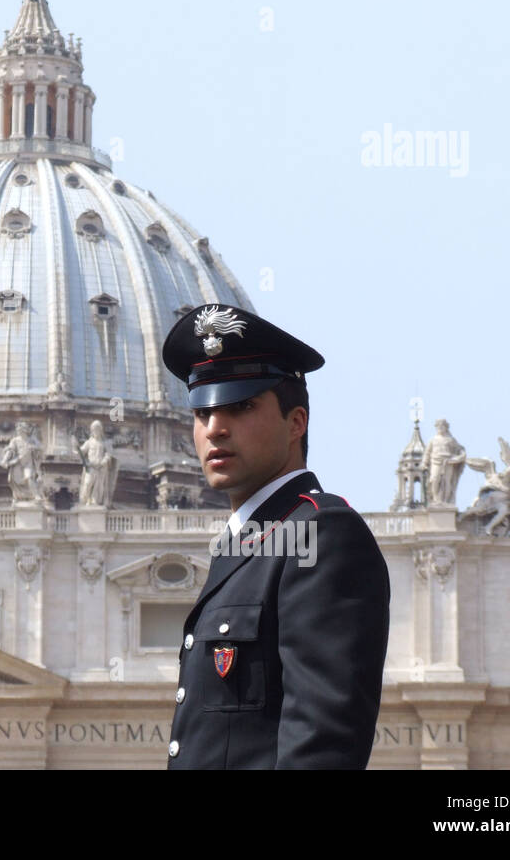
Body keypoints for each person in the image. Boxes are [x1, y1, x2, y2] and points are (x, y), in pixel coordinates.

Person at [160, 304, 389, 769]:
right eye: (202, 411)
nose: (215, 428)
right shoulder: (250, 546)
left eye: (240, 407)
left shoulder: (320, 535)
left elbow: (321, 747)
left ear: (296, 423)